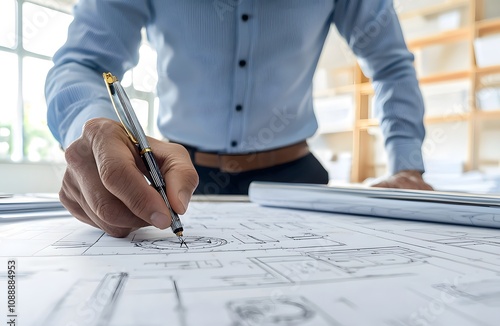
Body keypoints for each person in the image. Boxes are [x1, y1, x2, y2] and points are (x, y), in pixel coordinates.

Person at [45, 0, 433, 237]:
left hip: (296, 177)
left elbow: (390, 66)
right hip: (176, 176)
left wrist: (407, 167)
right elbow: (84, 62)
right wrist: (93, 125)